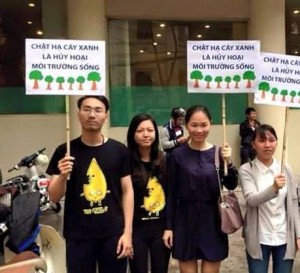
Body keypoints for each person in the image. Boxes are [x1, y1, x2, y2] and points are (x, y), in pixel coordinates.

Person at [46, 95, 134, 273]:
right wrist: (63, 176)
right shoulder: (65, 151)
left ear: (106, 115)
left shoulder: (119, 151)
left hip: (113, 234)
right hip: (78, 236)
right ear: (78, 114)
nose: (92, 115)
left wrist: (127, 233)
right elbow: (53, 196)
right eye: (86, 109)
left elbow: (128, 191)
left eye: (97, 110)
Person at [163, 105, 238, 273]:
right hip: (184, 220)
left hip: (212, 220)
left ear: (210, 124)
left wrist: (230, 162)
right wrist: (168, 227)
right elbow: (171, 193)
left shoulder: (219, 152)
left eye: (204, 125)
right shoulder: (177, 155)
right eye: (194, 125)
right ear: (186, 125)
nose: (199, 130)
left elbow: (231, 185)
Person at [238, 124, 300, 273]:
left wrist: (298, 234)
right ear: (253, 144)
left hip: (284, 236)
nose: (267, 145)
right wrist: (274, 188)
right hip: (259, 238)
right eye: (262, 140)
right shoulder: (247, 170)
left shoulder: (286, 169)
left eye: (272, 140)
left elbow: (293, 202)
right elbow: (251, 199)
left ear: (277, 143)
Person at [127, 113, 170, 273]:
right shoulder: (125, 161)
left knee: (161, 269)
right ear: (133, 133)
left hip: (160, 228)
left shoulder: (166, 160)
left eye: (150, 130)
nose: (146, 134)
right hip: (136, 229)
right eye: (140, 130)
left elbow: (171, 196)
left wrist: (169, 228)